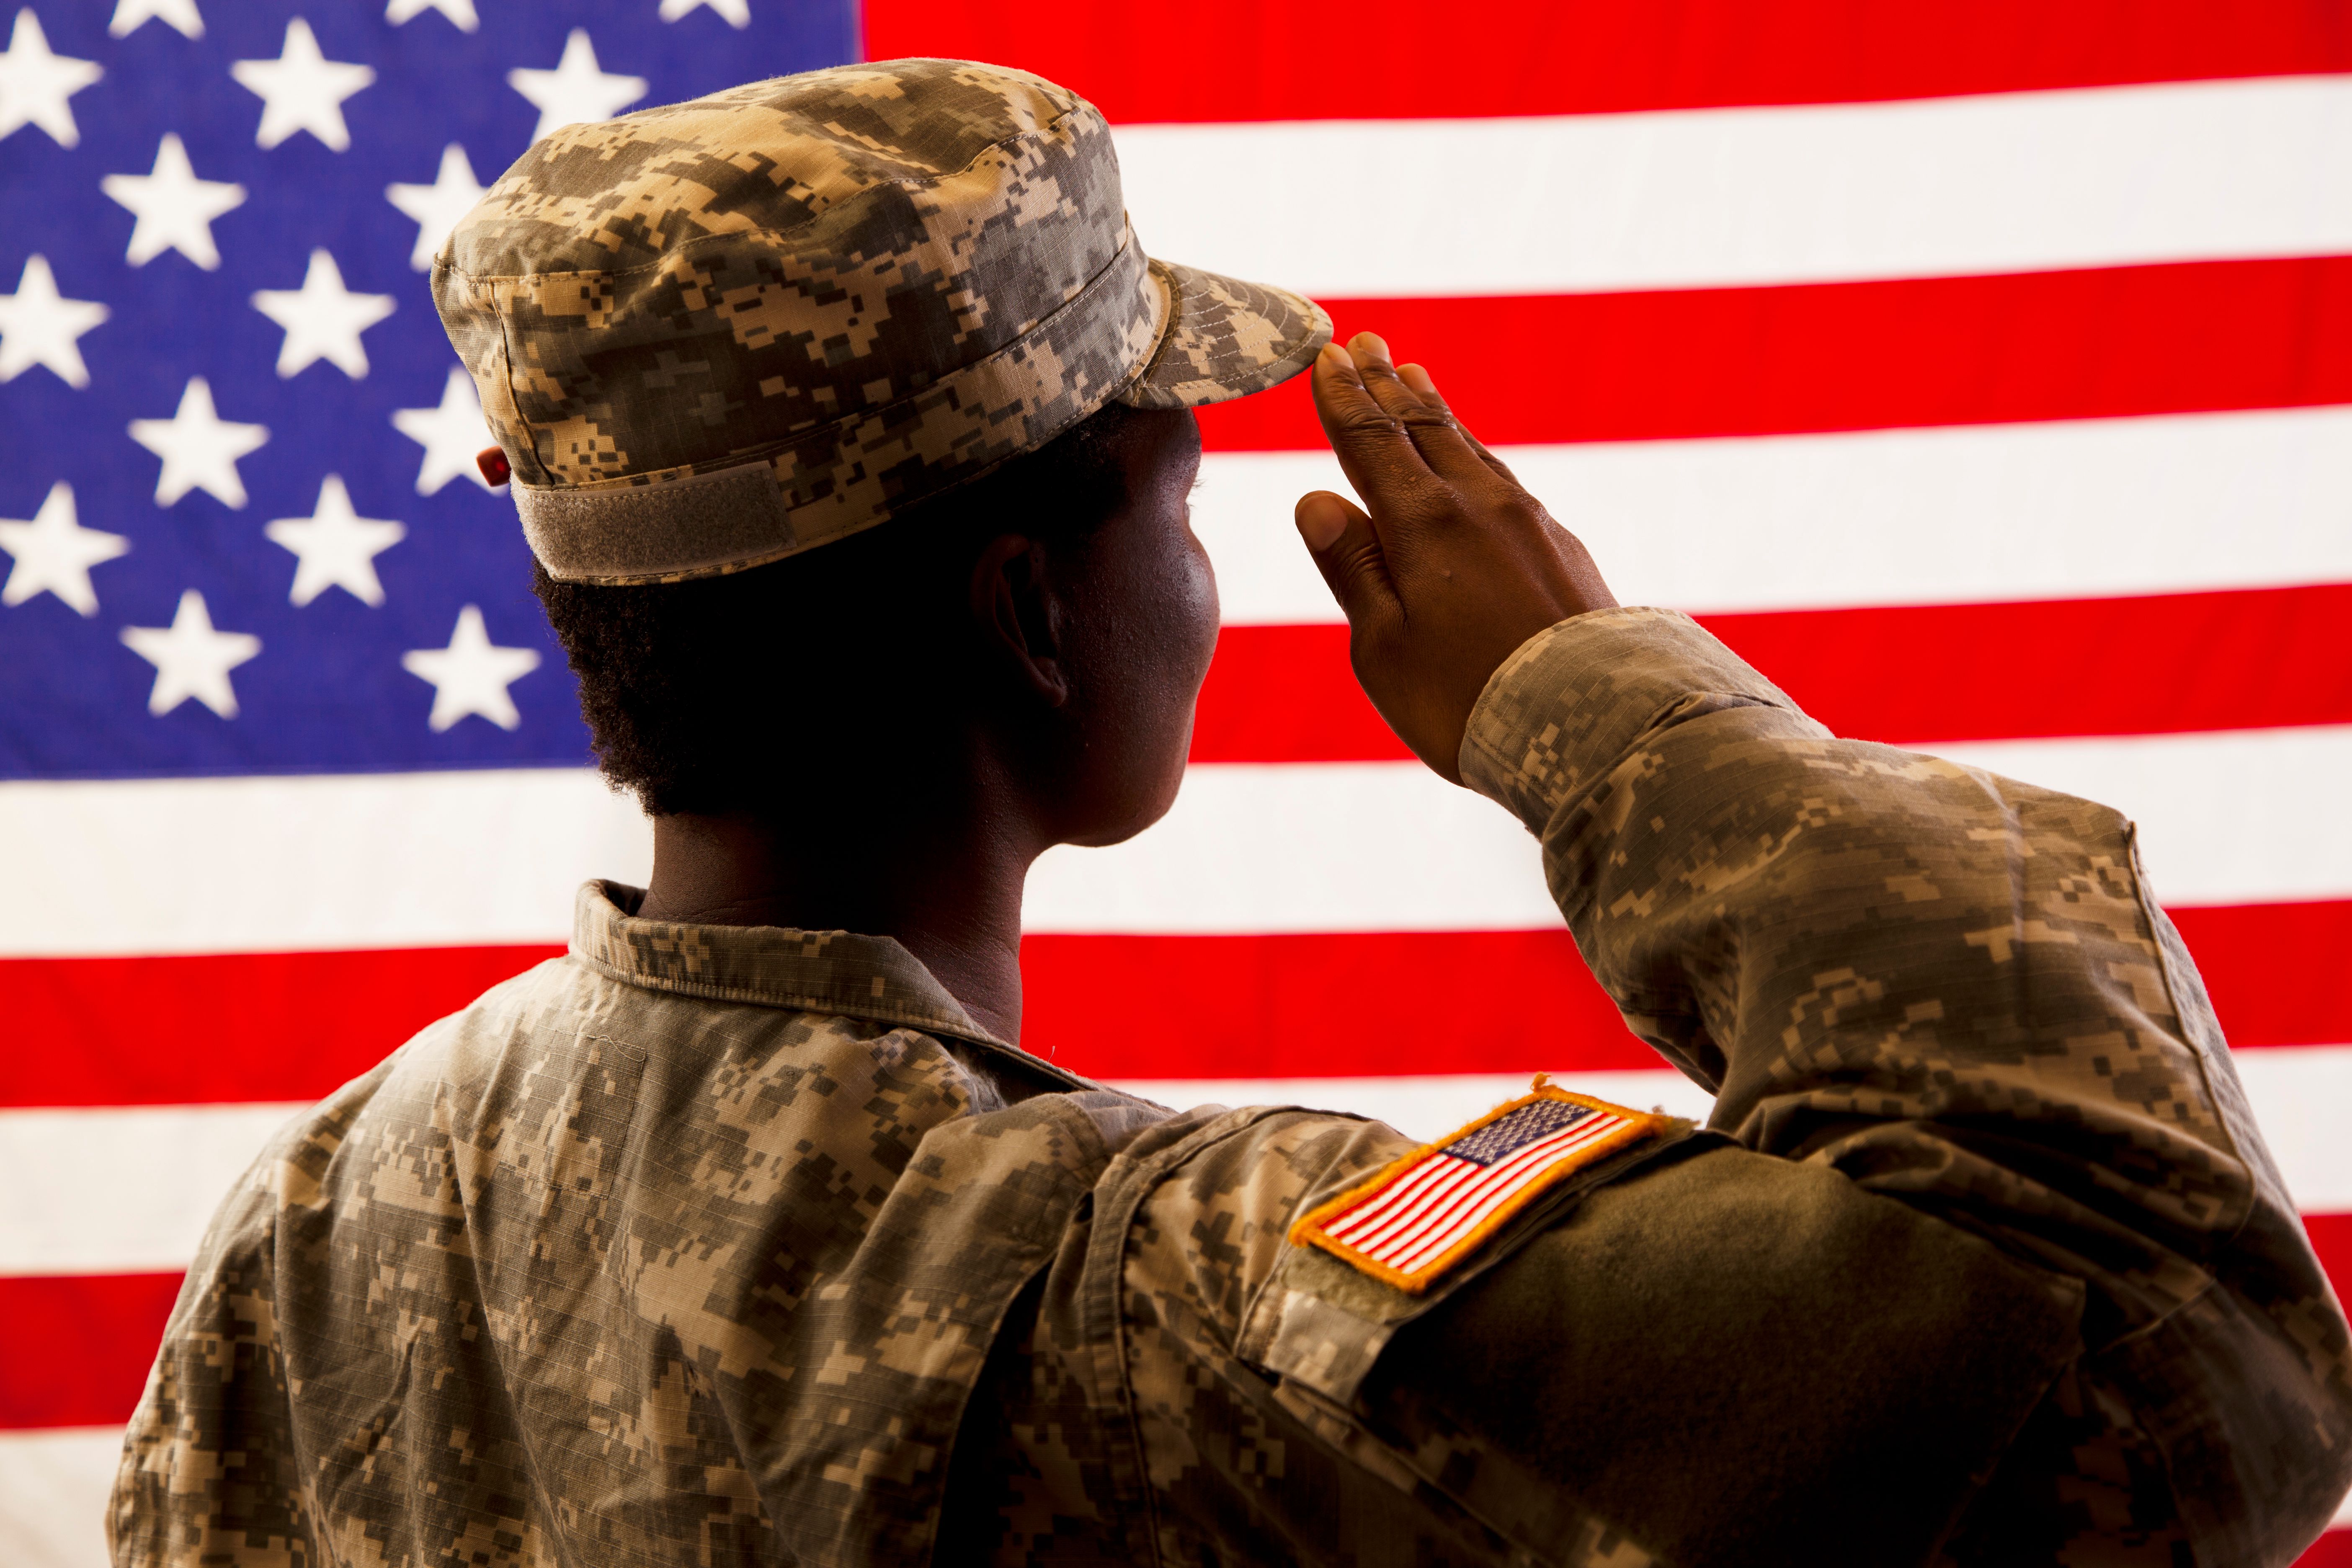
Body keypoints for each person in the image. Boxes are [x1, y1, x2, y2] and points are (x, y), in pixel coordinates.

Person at [111, 59, 2352, 1568]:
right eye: (1180, 507)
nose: (1215, 579)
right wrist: (1601, 714)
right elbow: (2162, 1342)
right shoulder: (1147, 1299)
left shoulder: (307, 1243)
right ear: (1034, 612)